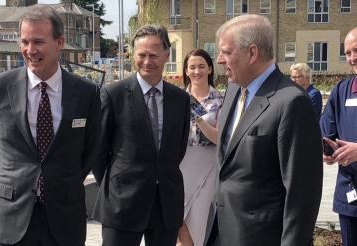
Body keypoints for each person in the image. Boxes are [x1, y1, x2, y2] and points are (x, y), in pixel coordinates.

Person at [0, 5, 101, 246]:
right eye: (24, 42)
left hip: (65, 217)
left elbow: (90, 149)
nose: (30, 50)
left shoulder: (86, 93)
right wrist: (14, 183)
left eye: (38, 41)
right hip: (13, 216)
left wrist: (61, 182)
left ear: (59, 42)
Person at [205, 14, 323, 246]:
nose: (219, 60)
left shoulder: (291, 102)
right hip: (223, 232)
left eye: (227, 52)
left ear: (252, 53)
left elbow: (302, 193)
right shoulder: (233, 92)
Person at [92, 24, 190, 246]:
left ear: (166, 56)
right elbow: (99, 151)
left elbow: (178, 149)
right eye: (141, 55)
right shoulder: (113, 94)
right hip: (122, 203)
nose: (147, 61)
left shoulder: (180, 99)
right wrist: (113, 187)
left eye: (153, 55)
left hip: (166, 203)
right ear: (133, 55)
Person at [177, 49, 224, 246]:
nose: (197, 71)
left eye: (202, 66)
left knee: (200, 224)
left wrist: (198, 118)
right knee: (178, 224)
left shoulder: (221, 99)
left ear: (210, 69)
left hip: (208, 166)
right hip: (180, 166)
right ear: (186, 71)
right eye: (192, 67)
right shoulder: (176, 98)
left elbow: (218, 138)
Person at [320, 26, 357, 246]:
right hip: (351, 196)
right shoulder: (341, 90)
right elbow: (327, 134)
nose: (353, 58)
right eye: (348, 53)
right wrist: (328, 151)